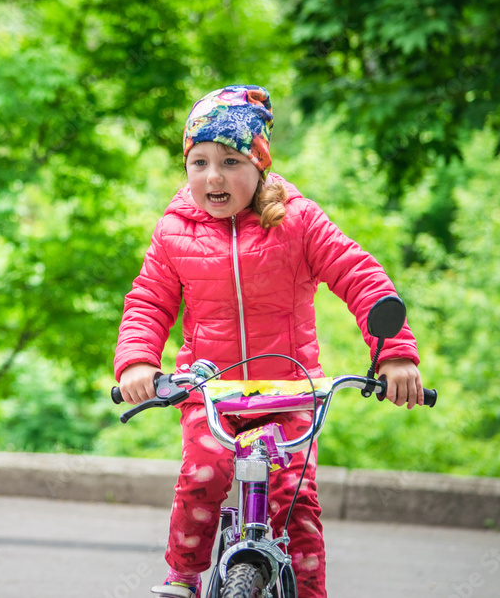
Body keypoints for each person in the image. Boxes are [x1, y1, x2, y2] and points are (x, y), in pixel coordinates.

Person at [113, 85, 424, 598]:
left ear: (259, 164)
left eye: (231, 161)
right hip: (211, 391)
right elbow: (148, 301)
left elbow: (359, 275)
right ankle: (183, 577)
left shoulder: (297, 221)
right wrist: (137, 363)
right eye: (198, 162)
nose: (213, 177)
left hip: (289, 393)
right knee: (203, 475)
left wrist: (393, 355)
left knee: (294, 502)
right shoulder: (173, 232)